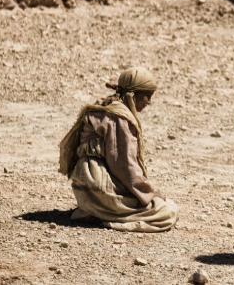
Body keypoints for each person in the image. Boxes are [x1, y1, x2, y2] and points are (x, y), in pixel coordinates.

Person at [58, 66, 179, 232]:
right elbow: (124, 166)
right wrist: (150, 194)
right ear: (134, 95)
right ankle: (111, 219)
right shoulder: (119, 118)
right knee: (167, 211)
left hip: (85, 187)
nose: (148, 102)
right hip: (100, 186)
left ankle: (95, 212)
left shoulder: (106, 106)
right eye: (147, 97)